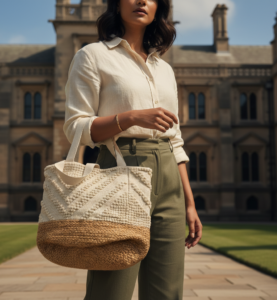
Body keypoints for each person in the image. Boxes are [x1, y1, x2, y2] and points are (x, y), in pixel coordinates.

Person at [63, 0, 203, 299]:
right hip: (119, 168)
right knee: (110, 291)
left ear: (158, 9)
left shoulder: (164, 68)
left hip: (169, 179)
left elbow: (175, 140)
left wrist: (189, 203)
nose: (141, 1)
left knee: (167, 293)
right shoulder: (93, 55)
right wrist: (131, 117)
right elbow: (76, 127)